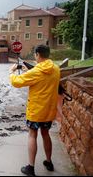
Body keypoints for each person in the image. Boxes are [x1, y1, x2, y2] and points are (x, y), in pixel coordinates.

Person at [9, 44, 60, 176]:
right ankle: (49, 162)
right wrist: (30, 69)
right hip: (49, 111)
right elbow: (43, 77)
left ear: (37, 54)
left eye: (35, 55)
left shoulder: (36, 72)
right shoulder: (55, 69)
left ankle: (30, 168)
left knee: (32, 135)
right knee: (45, 134)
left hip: (36, 112)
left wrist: (11, 72)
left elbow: (17, 82)